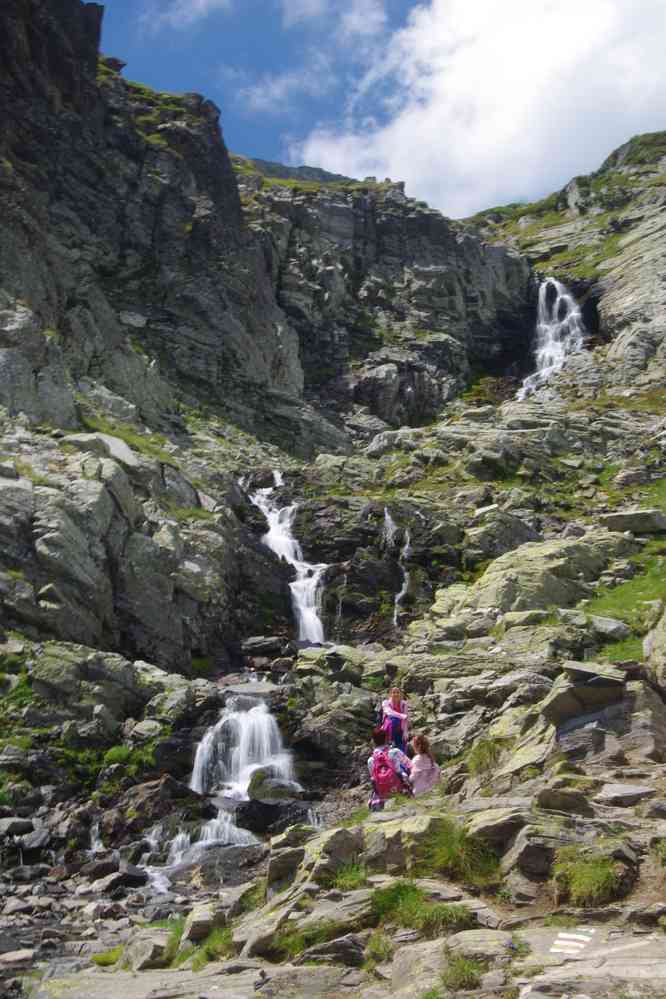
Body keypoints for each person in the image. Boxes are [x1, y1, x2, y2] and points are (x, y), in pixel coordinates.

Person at [367, 727, 412, 810]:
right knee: (403, 774)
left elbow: (373, 777)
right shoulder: (395, 752)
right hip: (399, 787)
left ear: (373, 741)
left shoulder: (371, 760)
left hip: (382, 793)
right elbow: (410, 765)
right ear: (386, 739)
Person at [381, 686, 409, 752]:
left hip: (400, 729)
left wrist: (405, 732)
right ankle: (390, 741)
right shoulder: (386, 702)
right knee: (394, 719)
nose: (396, 694)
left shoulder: (404, 704)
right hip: (388, 728)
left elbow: (406, 719)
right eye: (394, 692)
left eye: (397, 692)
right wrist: (401, 716)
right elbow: (389, 712)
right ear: (390, 694)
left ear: (400, 694)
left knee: (402, 748)